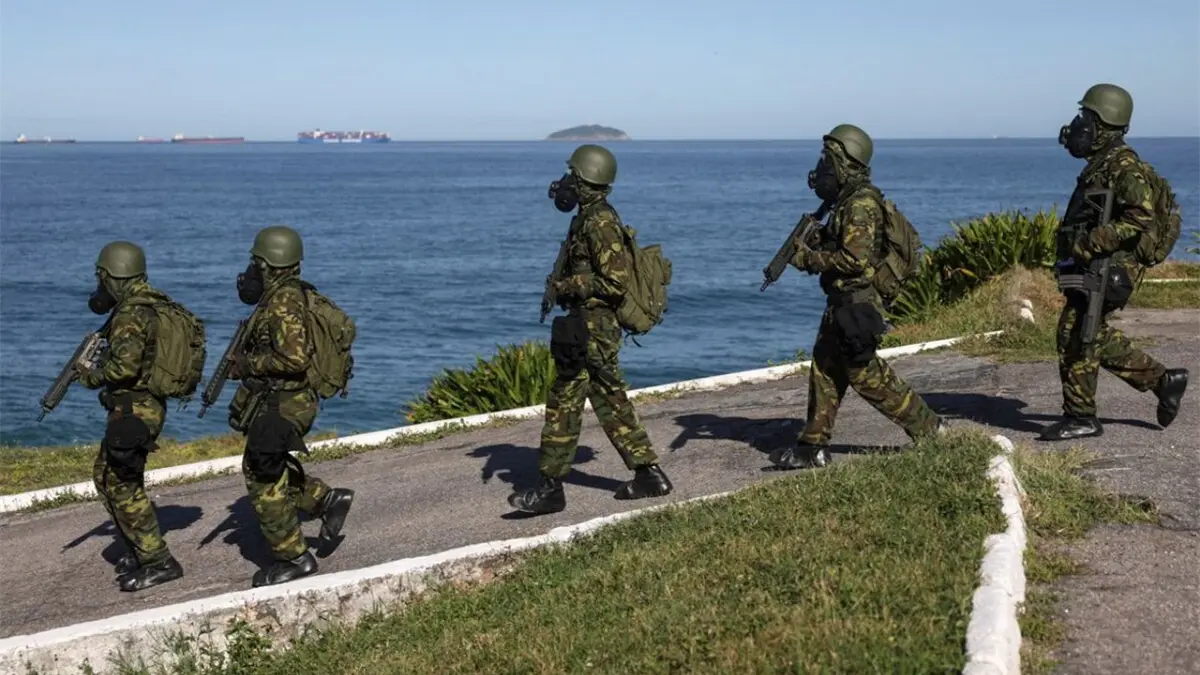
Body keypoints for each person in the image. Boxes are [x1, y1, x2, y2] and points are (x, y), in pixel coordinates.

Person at [507, 144, 673, 514]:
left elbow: (614, 282)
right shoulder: (588, 217)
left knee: (577, 398)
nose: (566, 183)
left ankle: (553, 487)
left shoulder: (600, 223)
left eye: (573, 176)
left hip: (593, 328)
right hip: (586, 326)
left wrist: (567, 287)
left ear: (586, 181)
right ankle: (646, 474)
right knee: (599, 398)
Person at [769, 124, 946, 470]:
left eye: (826, 160)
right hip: (841, 302)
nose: (820, 168)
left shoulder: (860, 204)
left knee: (866, 374)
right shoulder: (847, 202)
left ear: (844, 163)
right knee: (824, 369)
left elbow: (855, 260)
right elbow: (848, 247)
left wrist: (807, 259)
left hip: (857, 303)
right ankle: (812, 445)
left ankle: (931, 430)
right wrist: (823, 240)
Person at [1040, 83, 1189, 441]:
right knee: (1084, 334)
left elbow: (1140, 216)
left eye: (1085, 118)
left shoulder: (1123, 166)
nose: (1077, 125)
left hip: (1110, 266)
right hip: (1099, 264)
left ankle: (1082, 416)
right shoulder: (1104, 163)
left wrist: (1092, 244)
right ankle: (1162, 380)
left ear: (1103, 125)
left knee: (1079, 334)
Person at [227, 225, 355, 586]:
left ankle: (295, 558)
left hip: (284, 402)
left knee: (261, 474)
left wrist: (247, 364)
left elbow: (294, 358)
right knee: (270, 465)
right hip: (285, 400)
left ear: (268, 264)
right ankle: (327, 500)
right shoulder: (289, 294)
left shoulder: (283, 302)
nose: (252, 270)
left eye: (256, 262)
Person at [79, 241, 186, 592]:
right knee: (105, 475)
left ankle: (158, 561)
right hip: (142, 405)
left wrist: (90, 375)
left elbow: (123, 368)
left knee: (121, 482)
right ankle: (139, 547)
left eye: (102, 277)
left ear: (112, 276)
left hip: (135, 408)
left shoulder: (129, 314)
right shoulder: (150, 303)